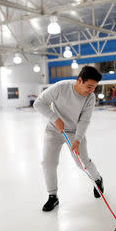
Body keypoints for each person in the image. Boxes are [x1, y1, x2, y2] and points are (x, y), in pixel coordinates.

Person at [34, 66, 104, 212]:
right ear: (79, 80)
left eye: (94, 88)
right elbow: (38, 103)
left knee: (82, 163)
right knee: (48, 163)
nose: (91, 90)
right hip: (54, 130)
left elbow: (84, 120)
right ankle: (52, 196)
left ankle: (97, 179)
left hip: (74, 132)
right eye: (89, 86)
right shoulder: (61, 87)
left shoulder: (90, 97)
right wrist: (55, 118)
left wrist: (78, 139)